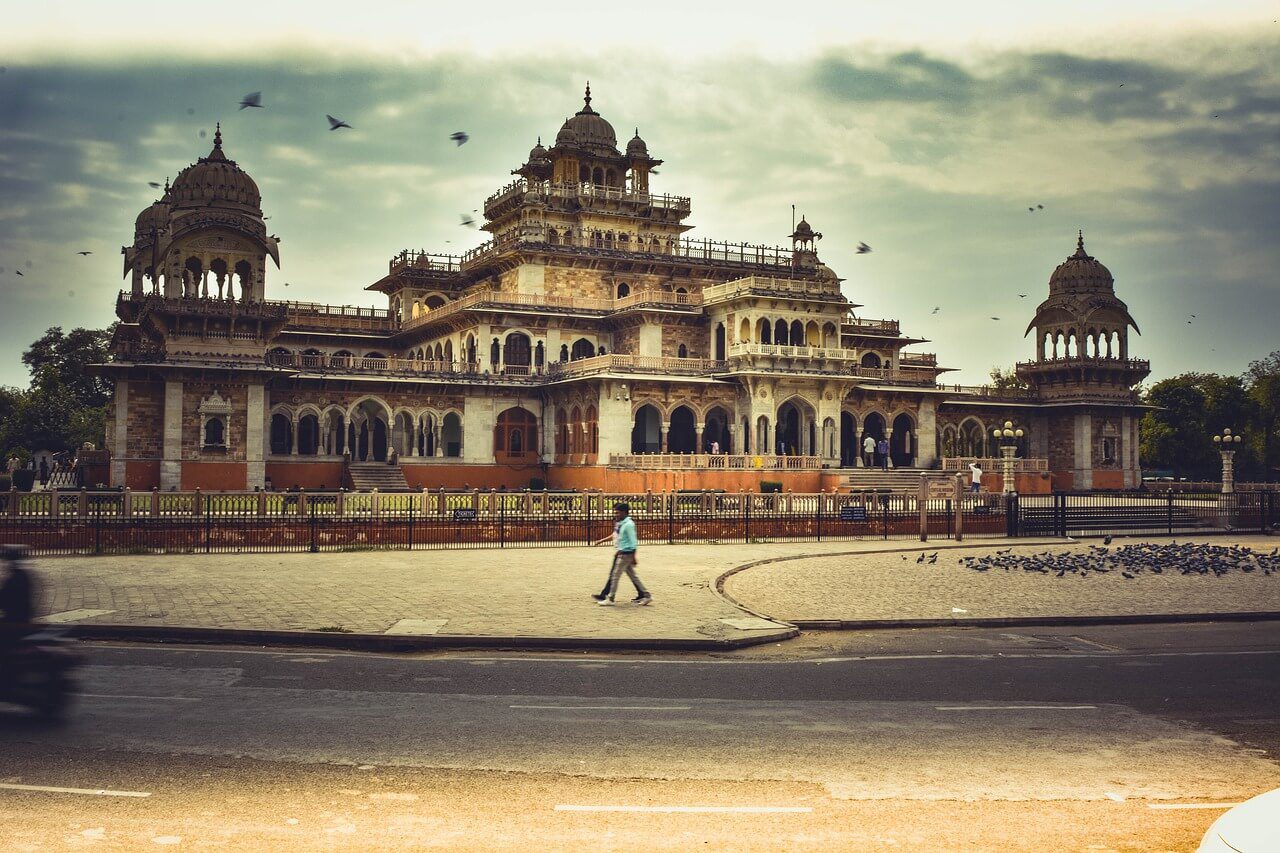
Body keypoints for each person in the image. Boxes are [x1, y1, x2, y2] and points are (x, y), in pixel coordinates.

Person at [593, 502, 651, 606]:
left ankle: (610, 598)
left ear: (624, 512)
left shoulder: (628, 524)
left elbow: (633, 542)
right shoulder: (622, 523)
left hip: (626, 554)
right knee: (633, 576)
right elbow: (618, 537)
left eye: (618, 512)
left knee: (615, 576)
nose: (616, 514)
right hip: (623, 552)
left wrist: (633, 557)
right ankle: (646, 595)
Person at [0, 544, 37, 656]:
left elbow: (3, 599)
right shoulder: (23, 575)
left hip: (15, 619)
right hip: (23, 616)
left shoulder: (14, 579)